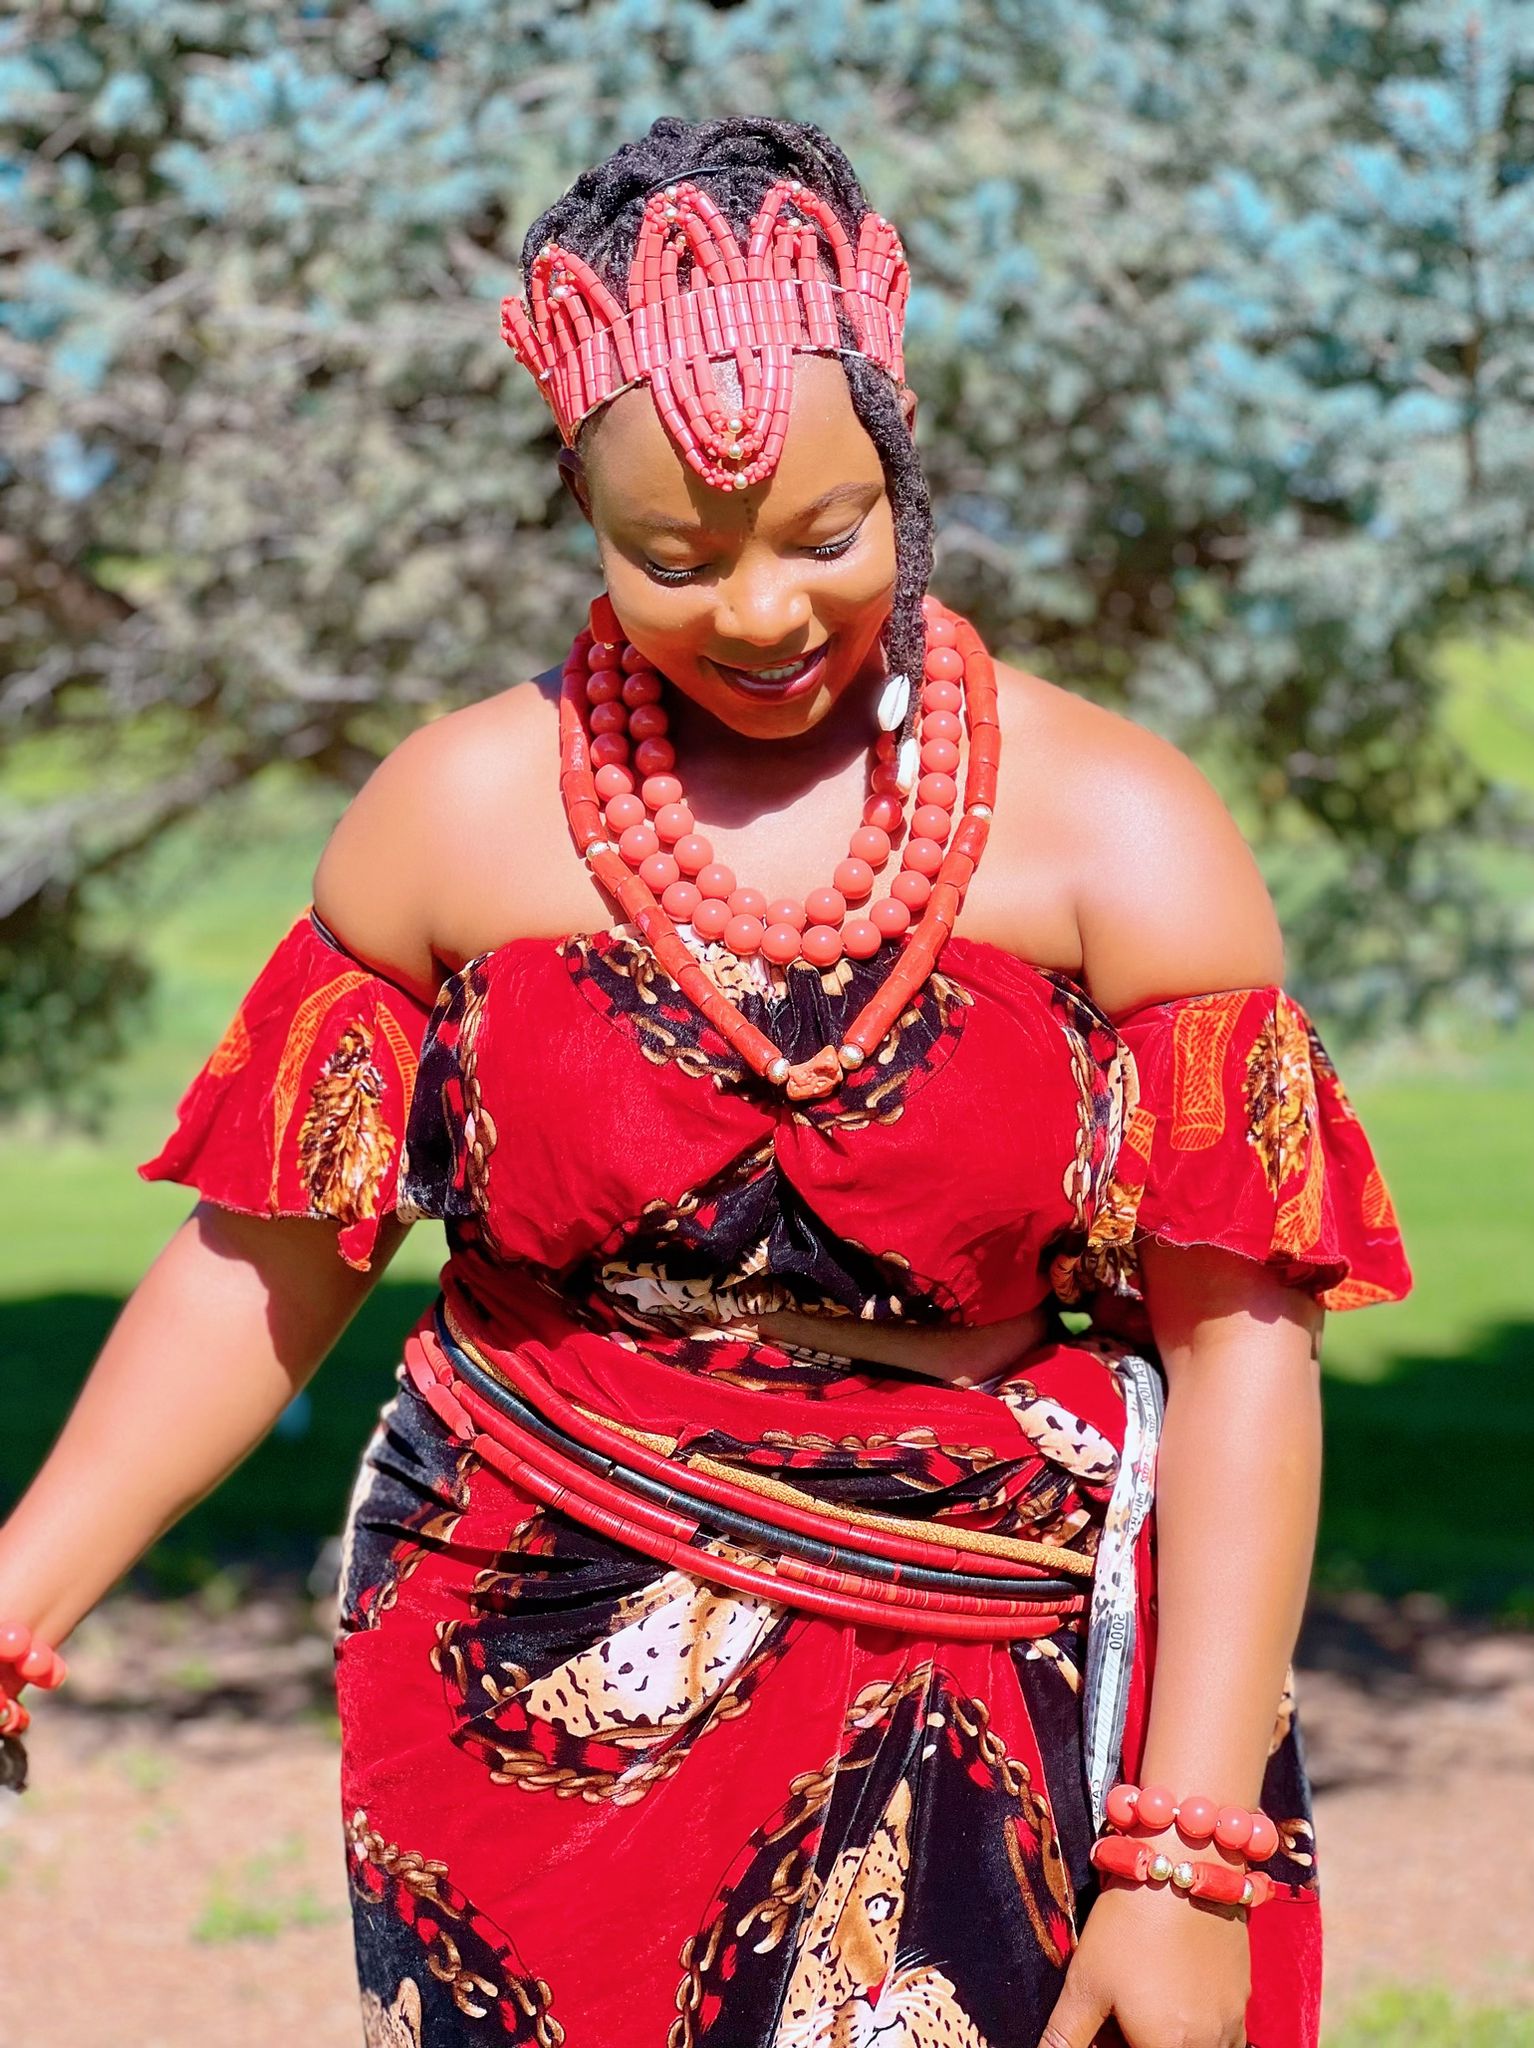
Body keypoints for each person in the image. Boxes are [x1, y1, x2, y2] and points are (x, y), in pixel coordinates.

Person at [0, 116, 1412, 2048]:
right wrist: (19, 1594)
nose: (754, 611)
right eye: (671, 557)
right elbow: (265, 1260)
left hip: (972, 1684)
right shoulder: (454, 821)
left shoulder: (1121, 838)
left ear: (901, 474)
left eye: (823, 536)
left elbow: (1247, 1347)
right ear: (582, 521)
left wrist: (1182, 1855)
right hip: (508, 1687)